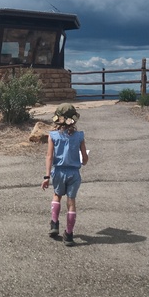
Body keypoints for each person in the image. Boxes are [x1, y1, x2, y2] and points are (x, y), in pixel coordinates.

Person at [42, 103, 88, 246]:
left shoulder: (53, 136)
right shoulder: (80, 136)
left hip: (58, 172)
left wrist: (47, 176)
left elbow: (49, 156)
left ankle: (54, 224)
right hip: (74, 173)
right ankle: (68, 234)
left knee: (57, 195)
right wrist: (83, 159)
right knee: (71, 201)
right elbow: (85, 159)